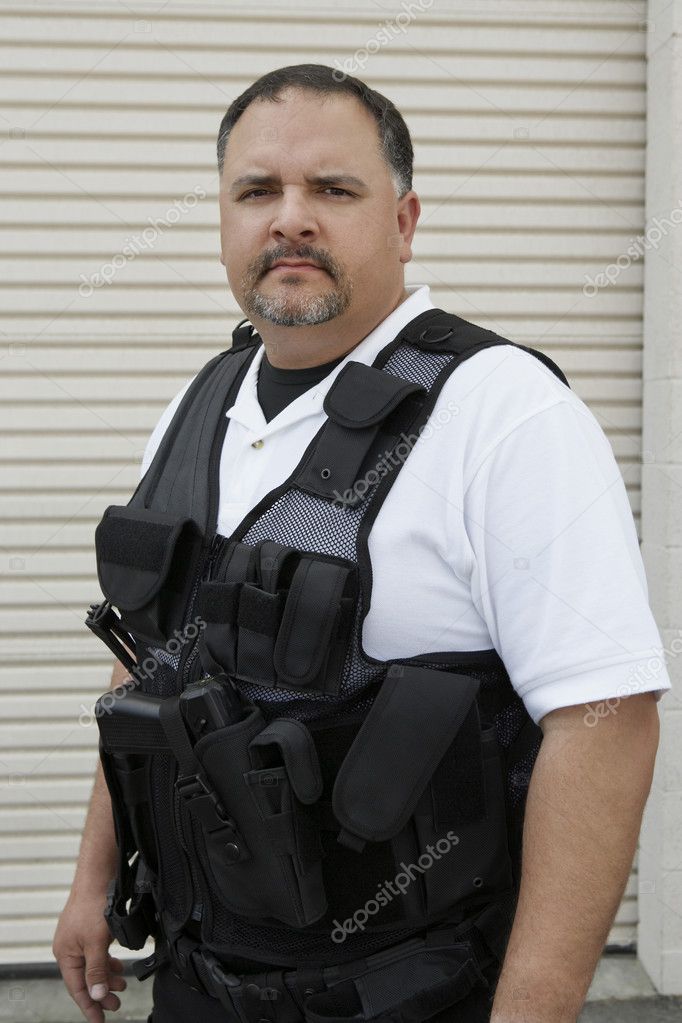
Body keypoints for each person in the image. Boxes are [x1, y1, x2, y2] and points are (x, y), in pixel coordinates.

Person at [54, 64, 671, 1023]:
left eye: (333, 190)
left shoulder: (501, 411)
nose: (290, 218)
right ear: (223, 218)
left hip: (413, 993)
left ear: (404, 218)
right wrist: (93, 878)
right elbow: (148, 675)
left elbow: (607, 720)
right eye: (257, 191)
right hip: (198, 977)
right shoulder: (200, 404)